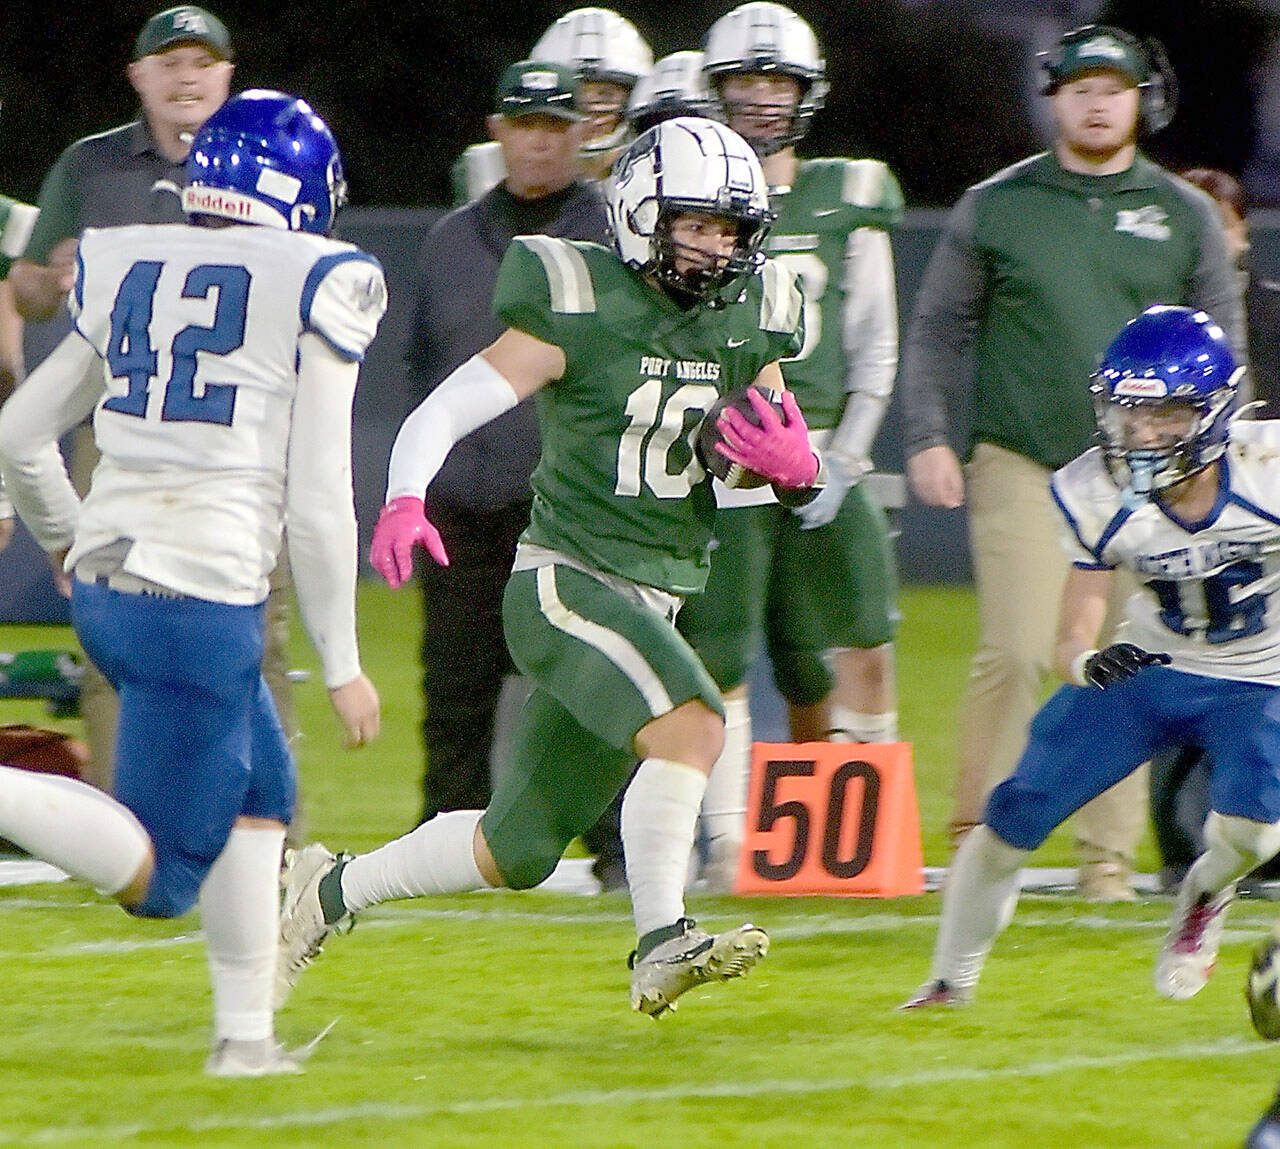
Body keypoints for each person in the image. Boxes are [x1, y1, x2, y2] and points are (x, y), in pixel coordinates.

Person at [276, 116, 815, 1019]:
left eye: (732, 229)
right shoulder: (579, 298)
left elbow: (768, 458)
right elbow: (445, 410)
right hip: (569, 581)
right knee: (694, 725)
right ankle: (661, 941)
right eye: (697, 223)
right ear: (643, 213)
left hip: (660, 592)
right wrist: (405, 495)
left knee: (514, 848)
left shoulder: (750, 319)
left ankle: (326, 890)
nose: (718, 248)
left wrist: (800, 478)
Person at [0, 90, 385, 1074]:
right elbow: (319, 497)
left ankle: (244, 1042)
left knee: (265, 790)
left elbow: (19, 434)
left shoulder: (132, 255)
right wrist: (341, 660)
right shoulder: (319, 276)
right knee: (164, 877)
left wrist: (65, 536)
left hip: (112, 578)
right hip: (199, 597)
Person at [901, 23, 1246, 901]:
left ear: (1142, 99)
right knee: (1017, 652)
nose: (1098, 101)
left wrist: (1219, 462)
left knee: (1136, 659)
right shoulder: (999, 202)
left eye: (1115, 87)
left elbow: (1223, 344)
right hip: (1022, 455)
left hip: (1149, 470)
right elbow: (941, 325)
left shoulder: (1184, 211)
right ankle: (977, 839)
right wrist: (931, 435)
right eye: (1082, 86)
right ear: (1054, 96)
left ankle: (1106, 864)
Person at [901, 305, 1280, 1011]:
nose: (1142, 434)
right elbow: (1072, 631)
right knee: (1011, 816)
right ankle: (950, 980)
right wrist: (1087, 664)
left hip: (1258, 676)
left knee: (1255, 834)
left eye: (1165, 414)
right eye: (1128, 414)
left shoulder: (1267, 471)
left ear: (1213, 412)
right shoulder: (1093, 489)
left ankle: (1204, 896)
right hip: (1148, 666)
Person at [675, 2, 902, 889]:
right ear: (716, 90)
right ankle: (733, 843)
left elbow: (873, 340)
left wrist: (849, 454)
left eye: (780, 82)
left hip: (822, 449)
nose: (765, 99)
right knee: (721, 648)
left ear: (807, 94)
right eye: (747, 81)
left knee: (858, 641)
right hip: (729, 452)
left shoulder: (846, 193)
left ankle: (860, 840)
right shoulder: (690, 194)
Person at [4, 7, 259, 798]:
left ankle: (256, 829)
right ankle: (128, 826)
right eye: (170, 62)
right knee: (112, 635)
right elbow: (27, 290)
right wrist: (55, 273)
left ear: (227, 73)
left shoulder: (265, 159)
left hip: (236, 435)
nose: (187, 77)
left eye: (202, 62)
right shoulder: (91, 166)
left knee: (249, 639)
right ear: (138, 76)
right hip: (117, 425)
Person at [405, 59, 625, 890]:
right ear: (497, 130)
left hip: (573, 507)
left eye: (556, 126)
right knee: (455, 690)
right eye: (525, 124)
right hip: (465, 501)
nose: (539, 141)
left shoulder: (612, 234)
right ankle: (441, 848)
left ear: (582, 135)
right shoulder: (450, 238)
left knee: (591, 683)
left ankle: (619, 853)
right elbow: (425, 367)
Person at [1148, 167, 1280, 892]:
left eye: (1220, 218)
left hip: (1266, 523)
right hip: (1181, 519)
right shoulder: (1154, 334)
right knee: (1180, 667)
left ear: (1239, 229)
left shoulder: (1271, 313)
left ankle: (1258, 835)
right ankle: (1179, 845)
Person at [451, 7, 653, 204]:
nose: (589, 113)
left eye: (605, 95)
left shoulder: (656, 167)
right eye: (574, 96)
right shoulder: (490, 168)